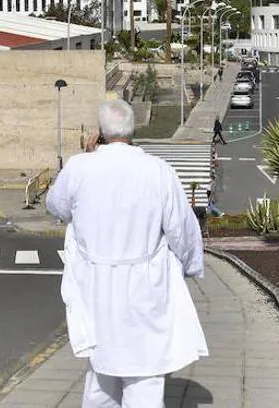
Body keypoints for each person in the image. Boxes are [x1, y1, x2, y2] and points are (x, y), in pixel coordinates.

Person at [47, 100, 208, 407]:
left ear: (100, 133)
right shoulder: (157, 171)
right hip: (145, 287)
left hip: (96, 286)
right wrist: (189, 265)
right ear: (133, 131)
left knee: (101, 373)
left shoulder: (80, 167)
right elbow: (181, 229)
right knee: (145, 374)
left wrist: (85, 156)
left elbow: (57, 206)